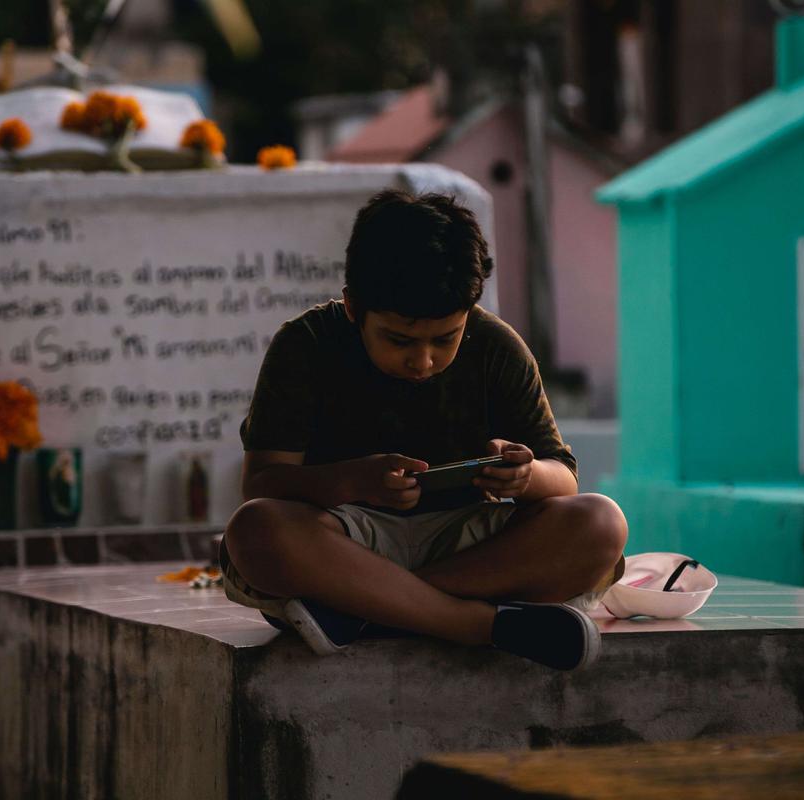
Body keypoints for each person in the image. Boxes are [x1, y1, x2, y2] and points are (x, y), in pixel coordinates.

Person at [219, 189, 627, 670]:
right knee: (256, 531)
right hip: (344, 540)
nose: (423, 360)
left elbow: (564, 477)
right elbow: (262, 483)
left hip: (470, 547)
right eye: (399, 340)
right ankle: (475, 624)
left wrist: (526, 475)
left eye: (445, 339)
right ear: (353, 307)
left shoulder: (496, 346)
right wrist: (352, 480)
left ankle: (368, 609)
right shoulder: (305, 345)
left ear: (469, 313)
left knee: (600, 523)